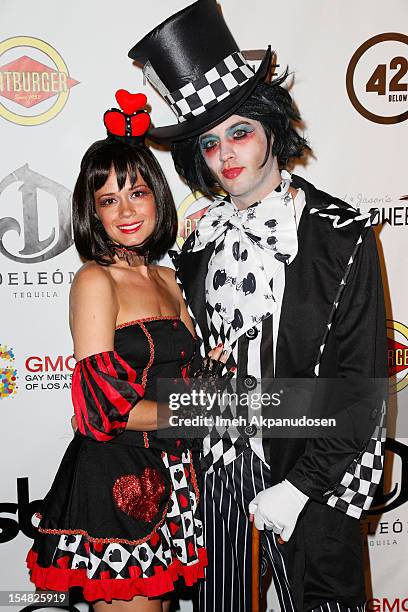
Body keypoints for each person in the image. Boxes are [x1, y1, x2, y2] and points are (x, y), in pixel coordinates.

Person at [128, 1, 388, 611]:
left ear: (272, 128)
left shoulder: (338, 234)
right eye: (210, 143)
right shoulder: (196, 245)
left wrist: (298, 490)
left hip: (314, 474)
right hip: (217, 470)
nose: (226, 155)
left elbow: (363, 384)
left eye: (240, 131)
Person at [26, 91, 214, 611]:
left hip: (178, 476)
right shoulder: (94, 281)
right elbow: (102, 410)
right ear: (94, 212)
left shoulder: (173, 280)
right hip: (117, 483)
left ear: (158, 196)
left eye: (136, 193)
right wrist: (210, 412)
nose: (126, 211)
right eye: (109, 200)